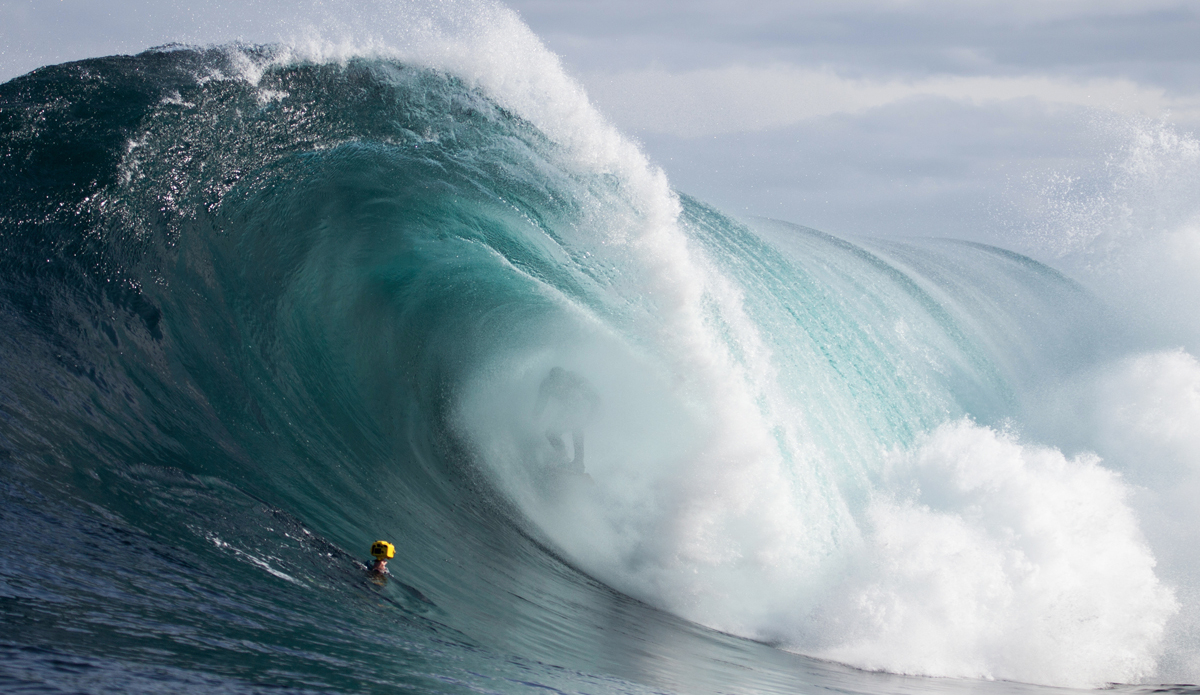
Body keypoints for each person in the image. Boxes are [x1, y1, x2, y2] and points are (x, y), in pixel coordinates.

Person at [533, 367, 600, 474]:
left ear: (565, 379)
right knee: (550, 433)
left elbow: (595, 399)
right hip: (567, 407)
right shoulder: (546, 384)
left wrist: (590, 417)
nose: (558, 387)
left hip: (581, 404)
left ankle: (579, 463)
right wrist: (536, 416)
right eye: (555, 384)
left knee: (576, 428)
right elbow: (541, 402)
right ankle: (562, 456)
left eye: (560, 384)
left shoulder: (576, 380)